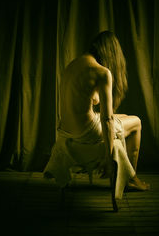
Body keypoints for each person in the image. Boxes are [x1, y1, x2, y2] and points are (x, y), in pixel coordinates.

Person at [44, 31, 149, 198]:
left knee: (123, 116)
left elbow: (89, 100)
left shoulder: (74, 64)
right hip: (86, 133)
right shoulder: (101, 72)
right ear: (111, 54)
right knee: (136, 122)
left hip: (66, 130)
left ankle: (130, 177)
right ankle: (131, 179)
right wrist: (108, 157)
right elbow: (106, 119)